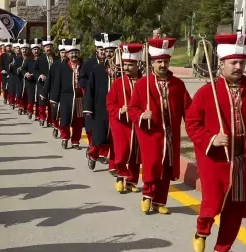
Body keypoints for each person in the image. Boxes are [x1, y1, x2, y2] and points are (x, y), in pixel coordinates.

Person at [185, 34, 246, 252]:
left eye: (241, 63)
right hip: (215, 157)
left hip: (241, 157)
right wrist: (211, 139)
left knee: (236, 205)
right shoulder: (208, 93)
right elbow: (192, 123)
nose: (238, 67)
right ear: (222, 64)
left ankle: (222, 248)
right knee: (213, 200)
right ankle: (201, 231)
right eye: (233, 63)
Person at [128, 35, 191, 215]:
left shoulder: (178, 85)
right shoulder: (142, 84)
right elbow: (132, 108)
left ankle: (160, 200)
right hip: (151, 133)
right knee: (152, 164)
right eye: (159, 62)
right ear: (152, 63)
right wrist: (141, 115)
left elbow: (189, 109)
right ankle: (147, 194)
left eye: (165, 61)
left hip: (171, 135)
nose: (163, 65)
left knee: (167, 168)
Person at [107, 42, 145, 193]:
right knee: (122, 150)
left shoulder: (145, 82)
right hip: (121, 123)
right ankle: (120, 176)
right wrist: (119, 111)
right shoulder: (118, 83)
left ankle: (131, 181)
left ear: (138, 65)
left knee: (136, 153)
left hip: (139, 122)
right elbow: (110, 104)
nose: (127, 68)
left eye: (131, 64)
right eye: (125, 64)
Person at [81, 36, 116, 169]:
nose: (109, 54)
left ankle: (114, 167)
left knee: (115, 140)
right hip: (100, 108)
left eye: (112, 50)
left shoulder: (122, 71)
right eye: (107, 51)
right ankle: (92, 155)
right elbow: (89, 89)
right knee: (99, 138)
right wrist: (88, 108)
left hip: (117, 110)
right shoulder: (97, 69)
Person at [50, 39, 85, 149]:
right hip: (66, 97)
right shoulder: (62, 67)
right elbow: (57, 83)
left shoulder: (84, 66)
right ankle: (65, 137)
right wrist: (54, 99)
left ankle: (75, 141)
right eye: (71, 53)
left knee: (78, 121)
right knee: (64, 119)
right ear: (68, 54)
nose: (74, 55)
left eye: (75, 53)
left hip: (79, 98)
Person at [35, 39, 57, 126]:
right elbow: (35, 69)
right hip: (42, 84)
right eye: (47, 47)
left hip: (53, 85)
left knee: (52, 103)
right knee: (42, 103)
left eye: (50, 46)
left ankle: (50, 120)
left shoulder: (57, 59)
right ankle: (42, 117)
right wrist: (40, 75)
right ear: (44, 48)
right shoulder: (39, 59)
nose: (49, 48)